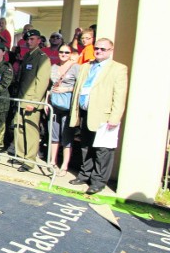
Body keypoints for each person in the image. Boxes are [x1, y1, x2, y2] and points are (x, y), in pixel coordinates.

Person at [68, 38, 128, 194]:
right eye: (97, 48)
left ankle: (98, 181)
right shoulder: (86, 66)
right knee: (85, 146)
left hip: (104, 116)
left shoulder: (118, 69)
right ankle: (84, 175)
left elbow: (119, 96)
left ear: (110, 50)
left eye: (103, 49)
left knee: (103, 150)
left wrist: (115, 118)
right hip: (85, 112)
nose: (99, 51)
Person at [12, 29, 51, 172]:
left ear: (39, 40)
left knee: (30, 131)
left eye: (32, 39)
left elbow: (41, 82)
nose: (29, 42)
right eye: (27, 40)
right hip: (21, 98)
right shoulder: (28, 55)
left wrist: (34, 102)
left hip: (30, 101)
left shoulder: (42, 57)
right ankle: (21, 156)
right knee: (19, 128)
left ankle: (29, 160)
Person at [48, 44, 79, 177]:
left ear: (71, 54)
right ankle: (52, 161)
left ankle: (64, 165)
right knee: (54, 136)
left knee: (66, 137)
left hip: (68, 106)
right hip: (54, 105)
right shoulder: (54, 67)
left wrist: (66, 89)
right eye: (61, 52)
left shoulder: (76, 68)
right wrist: (46, 101)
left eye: (67, 52)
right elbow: (50, 86)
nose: (63, 54)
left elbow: (80, 87)